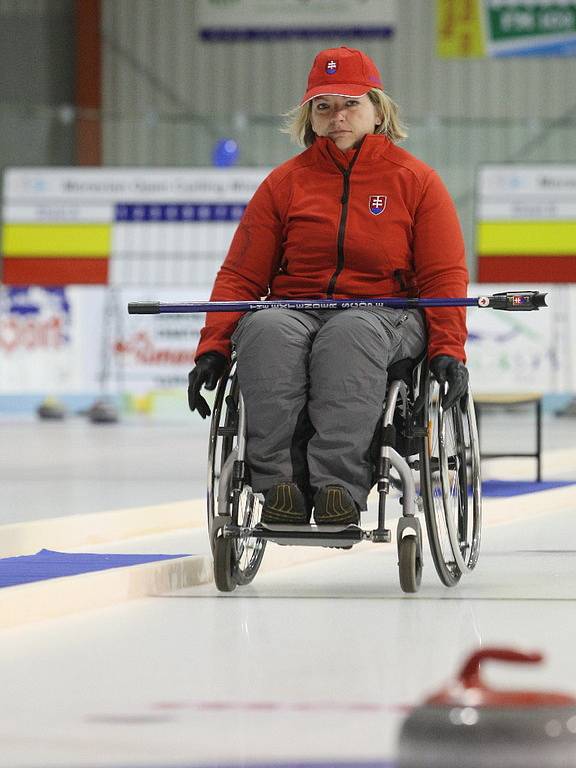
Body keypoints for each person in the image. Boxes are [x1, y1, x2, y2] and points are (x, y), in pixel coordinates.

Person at [188, 46, 469, 528]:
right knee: (266, 330)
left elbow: (444, 276)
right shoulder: (284, 183)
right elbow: (241, 275)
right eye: (324, 106)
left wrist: (450, 347)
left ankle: (338, 485)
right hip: (296, 308)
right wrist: (212, 347)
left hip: (385, 315)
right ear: (310, 117)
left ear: (378, 109)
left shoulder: (416, 181)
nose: (337, 116)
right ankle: (278, 485)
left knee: (350, 332)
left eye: (350, 104)